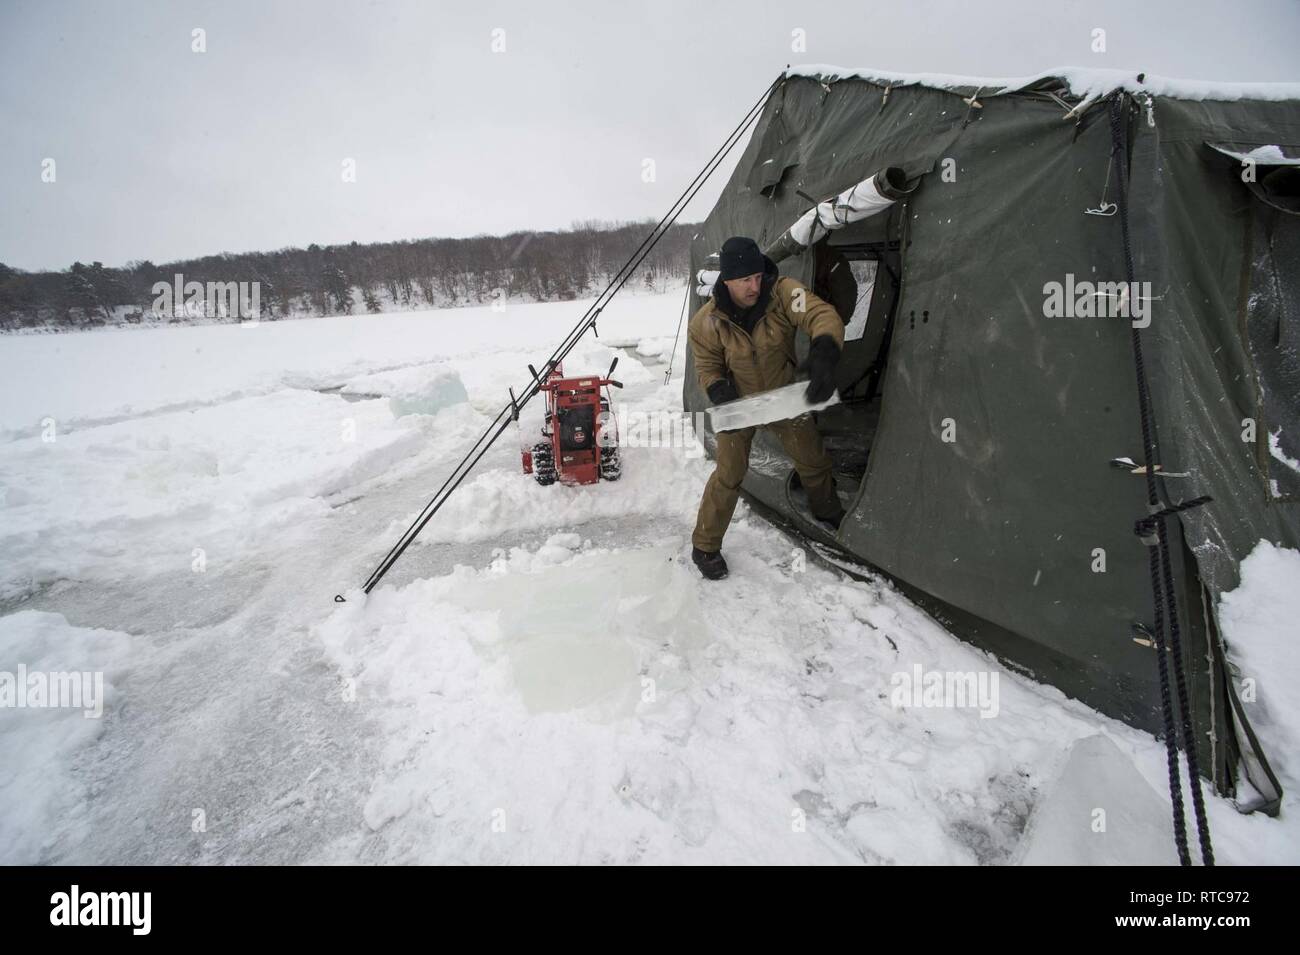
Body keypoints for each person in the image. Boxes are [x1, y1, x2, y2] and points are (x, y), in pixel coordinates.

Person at [687, 236, 846, 580]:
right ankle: (705, 546)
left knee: (813, 459)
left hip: (784, 395)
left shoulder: (784, 291)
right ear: (726, 280)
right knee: (728, 473)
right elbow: (707, 366)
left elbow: (820, 314)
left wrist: (825, 347)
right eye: (745, 280)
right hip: (739, 403)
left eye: (758, 276)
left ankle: (827, 511)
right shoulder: (706, 322)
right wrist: (719, 390)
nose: (754, 286)